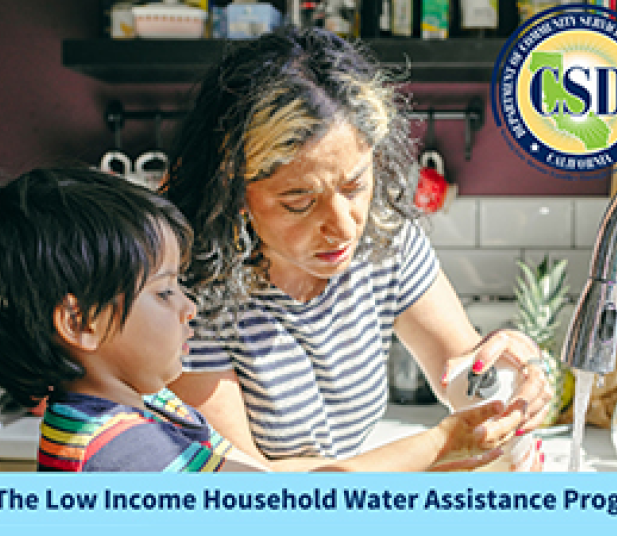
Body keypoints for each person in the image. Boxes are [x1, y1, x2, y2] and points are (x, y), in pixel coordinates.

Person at [163, 25, 551, 471]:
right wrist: (438, 447)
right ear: (234, 189)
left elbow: (460, 371)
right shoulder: (184, 295)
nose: (344, 228)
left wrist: (503, 381)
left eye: (354, 186)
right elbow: (243, 482)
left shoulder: (386, 241)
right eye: (299, 202)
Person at [0, 166, 522, 472]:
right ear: (81, 323)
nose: (190, 307)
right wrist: (437, 443)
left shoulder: (148, 405)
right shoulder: (115, 452)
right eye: (163, 293)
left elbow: (269, 486)